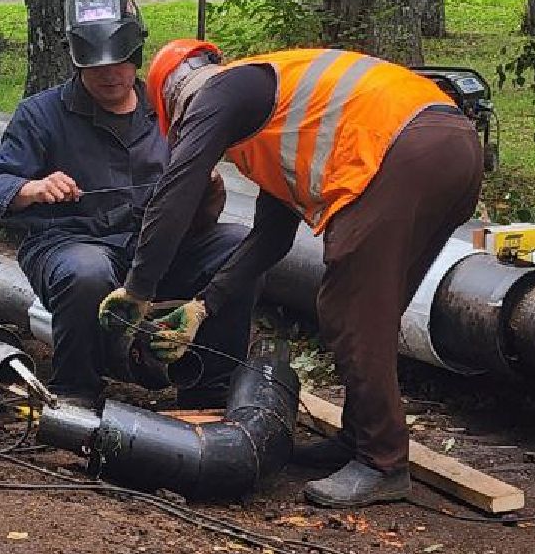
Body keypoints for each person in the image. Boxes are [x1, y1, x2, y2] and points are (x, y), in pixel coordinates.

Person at [101, 40, 484, 507]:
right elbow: (270, 238)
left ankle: (383, 462)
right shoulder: (273, 114)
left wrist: (138, 289)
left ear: (173, 102)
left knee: (347, 310)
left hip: (404, 153)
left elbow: (178, 188)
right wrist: (204, 306)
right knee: (371, 312)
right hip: (451, 146)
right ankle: (359, 438)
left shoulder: (219, 92)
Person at [0, 0, 254, 406]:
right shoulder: (42, 114)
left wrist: (207, 189)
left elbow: (199, 221)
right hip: (70, 245)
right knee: (86, 271)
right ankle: (76, 391)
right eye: (97, 65)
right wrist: (32, 188)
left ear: (136, 56)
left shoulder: (167, 111)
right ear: (76, 59)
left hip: (154, 251)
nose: (110, 74)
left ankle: (211, 387)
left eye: (120, 62)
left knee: (238, 245)